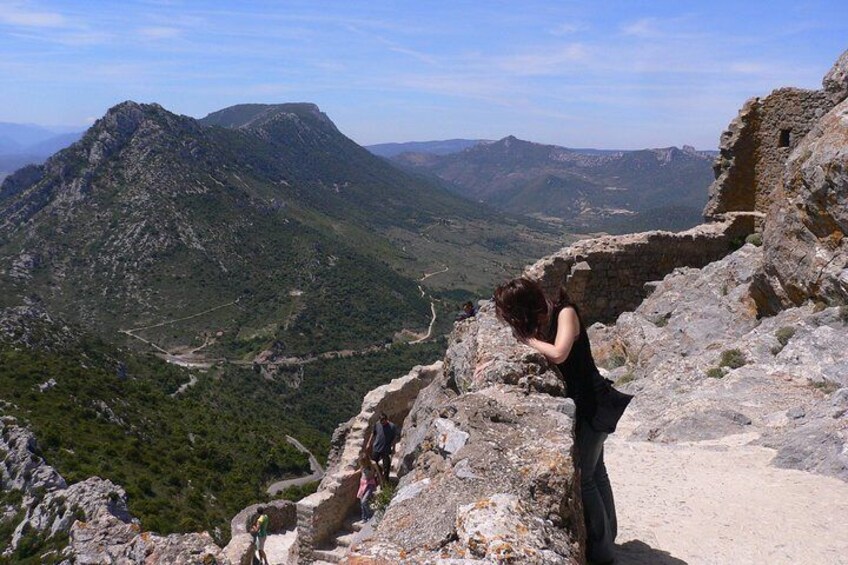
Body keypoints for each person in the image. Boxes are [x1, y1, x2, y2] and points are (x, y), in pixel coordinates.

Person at [494, 277, 630, 565]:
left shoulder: (565, 312)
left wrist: (527, 340)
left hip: (592, 402)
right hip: (585, 403)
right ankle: (609, 538)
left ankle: (604, 554)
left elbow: (559, 353)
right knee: (597, 471)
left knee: (587, 480)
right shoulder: (545, 319)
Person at [366, 412, 398, 481]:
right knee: (373, 463)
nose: (382, 423)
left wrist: (394, 448)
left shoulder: (392, 426)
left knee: (386, 466)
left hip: (386, 449)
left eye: (383, 422)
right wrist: (369, 443)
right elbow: (373, 433)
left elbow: (394, 438)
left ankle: (386, 480)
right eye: (381, 422)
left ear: (386, 420)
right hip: (376, 447)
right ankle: (378, 475)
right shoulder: (377, 424)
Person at [356, 454, 383, 521]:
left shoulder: (373, 463)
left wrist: (381, 483)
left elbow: (379, 473)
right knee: (361, 500)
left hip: (370, 484)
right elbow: (360, 470)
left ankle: (370, 515)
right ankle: (364, 518)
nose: (362, 464)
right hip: (362, 484)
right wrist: (352, 474)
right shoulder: (362, 464)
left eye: (363, 462)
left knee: (364, 501)